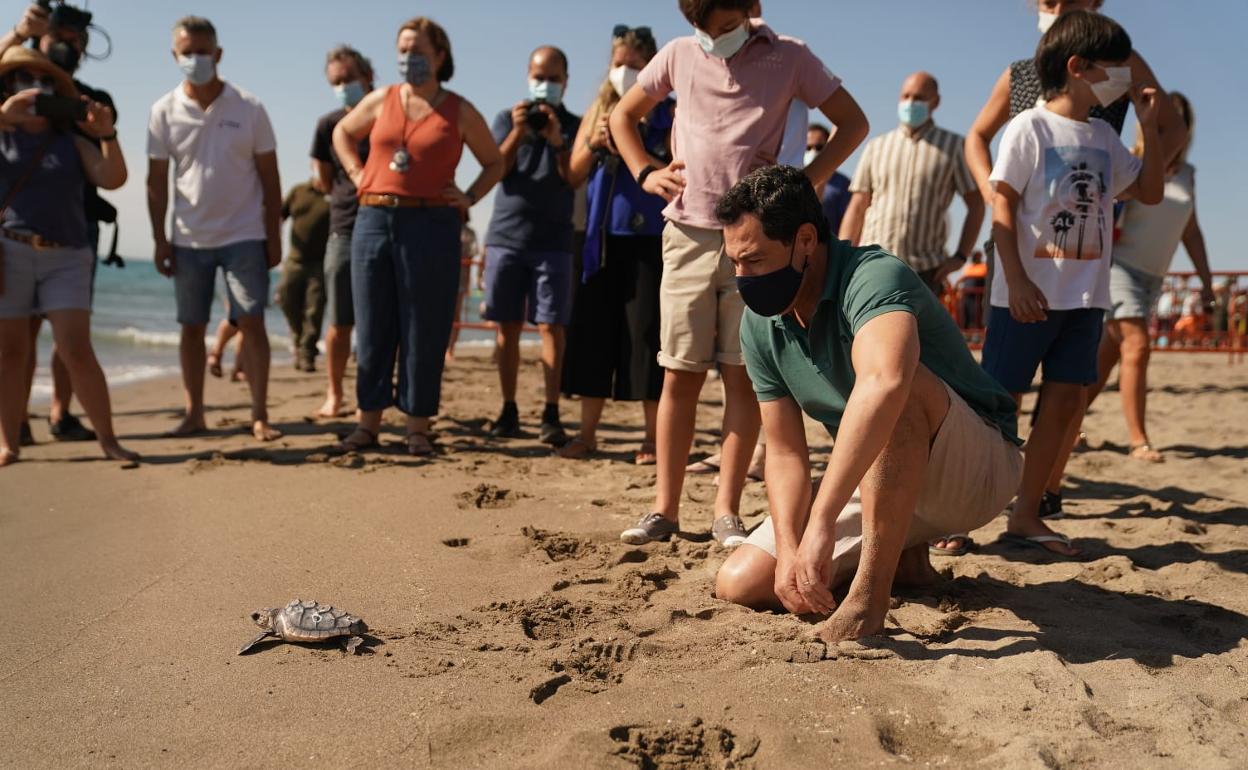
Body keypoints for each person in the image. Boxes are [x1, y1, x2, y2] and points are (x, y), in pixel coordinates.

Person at [712, 166, 1022, 641]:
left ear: (806, 240)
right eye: (734, 261)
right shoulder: (761, 323)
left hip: (978, 468)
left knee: (893, 391)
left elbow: (885, 383)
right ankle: (906, 555)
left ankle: (868, 601)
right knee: (741, 582)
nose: (742, 277)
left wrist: (821, 522)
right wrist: (792, 546)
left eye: (753, 261)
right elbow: (785, 451)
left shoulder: (873, 275)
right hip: (885, 471)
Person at [608, 0, 868, 546]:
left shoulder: (791, 56)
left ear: (750, 8)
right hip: (686, 234)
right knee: (679, 371)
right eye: (702, 29)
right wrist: (645, 171)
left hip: (756, 241)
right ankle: (665, 508)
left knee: (741, 375)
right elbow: (620, 115)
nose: (713, 39)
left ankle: (726, 509)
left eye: (725, 27)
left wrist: (809, 181)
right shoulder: (679, 54)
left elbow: (853, 122)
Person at [942, 0, 1187, 554]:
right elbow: (1001, 206)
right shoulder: (1029, 128)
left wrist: (1147, 127)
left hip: (1084, 300)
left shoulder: (1105, 138)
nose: (1124, 79)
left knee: (1064, 404)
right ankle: (960, 515)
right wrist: (1018, 280)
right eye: (1114, 68)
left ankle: (1025, 514)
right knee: (998, 407)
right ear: (1078, 67)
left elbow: (1147, 190)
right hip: (1024, 297)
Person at [332, 16, 502, 456]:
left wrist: (468, 196)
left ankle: (416, 426)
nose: (409, 59)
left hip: (432, 223)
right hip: (372, 219)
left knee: (423, 328)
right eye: (403, 50)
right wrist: (355, 172)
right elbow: (342, 133)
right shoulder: (380, 99)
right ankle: (367, 424)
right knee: (371, 326)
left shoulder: (459, 110)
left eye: (418, 51)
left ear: (440, 56)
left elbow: (495, 162)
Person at [0, 47, 136, 466]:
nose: (33, 88)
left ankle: (109, 441)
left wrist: (108, 133)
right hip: (9, 253)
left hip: (67, 256)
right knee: (9, 350)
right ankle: (7, 443)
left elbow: (113, 178)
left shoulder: (72, 141)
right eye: (22, 79)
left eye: (42, 81)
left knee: (76, 346)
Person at [558, 25, 670, 465]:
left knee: (646, 337)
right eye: (619, 64)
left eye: (636, 65)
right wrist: (596, 140)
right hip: (601, 240)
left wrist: (637, 145)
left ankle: (650, 437)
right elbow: (572, 172)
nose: (625, 72)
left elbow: (680, 171)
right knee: (592, 335)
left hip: (651, 238)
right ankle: (587, 433)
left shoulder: (672, 113)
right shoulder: (599, 109)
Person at [1081, 92, 1211, 462]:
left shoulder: (1188, 175)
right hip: (1119, 268)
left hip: (1153, 278)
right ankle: (1138, 439)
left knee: (1105, 359)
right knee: (1138, 345)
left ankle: (1069, 422)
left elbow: (1191, 230)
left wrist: (1204, 280)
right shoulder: (1133, 163)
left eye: (1179, 122)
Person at [481, 46, 581, 445]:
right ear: (527, 75)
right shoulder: (508, 119)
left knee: (551, 327)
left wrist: (557, 140)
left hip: (554, 241)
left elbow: (573, 178)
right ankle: (508, 409)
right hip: (507, 237)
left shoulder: (575, 124)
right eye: (539, 76)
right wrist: (519, 132)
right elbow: (495, 169)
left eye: (553, 78)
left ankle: (551, 413)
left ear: (566, 82)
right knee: (505, 327)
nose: (545, 85)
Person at [839, 72, 983, 296]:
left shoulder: (954, 147)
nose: (910, 103)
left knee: (919, 331)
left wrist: (960, 256)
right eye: (905, 96)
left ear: (935, 102)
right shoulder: (877, 147)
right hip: (873, 263)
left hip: (925, 270)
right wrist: (843, 255)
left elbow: (976, 204)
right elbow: (858, 205)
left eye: (918, 97)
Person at [310, 44, 373, 419]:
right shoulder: (327, 124)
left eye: (349, 79)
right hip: (345, 228)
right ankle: (334, 393)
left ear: (368, 77)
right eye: (336, 82)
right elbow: (322, 179)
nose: (343, 86)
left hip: (387, 225)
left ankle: (374, 394)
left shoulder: (388, 118)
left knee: (380, 321)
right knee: (340, 322)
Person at [277, 180, 330, 372]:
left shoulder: (333, 194)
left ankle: (307, 353)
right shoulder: (298, 191)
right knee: (286, 300)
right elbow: (280, 216)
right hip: (294, 260)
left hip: (320, 263)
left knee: (314, 309)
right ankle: (298, 339)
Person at [806, 123, 850, 235]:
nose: (813, 152)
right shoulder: (793, 182)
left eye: (819, 147)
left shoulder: (843, 184)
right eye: (808, 147)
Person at [446, 216, 478, 360]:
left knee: (455, 314)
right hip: (441, 275)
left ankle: (450, 349)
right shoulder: (441, 226)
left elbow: (471, 259)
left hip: (460, 279)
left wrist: (468, 284)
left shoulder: (469, 233)